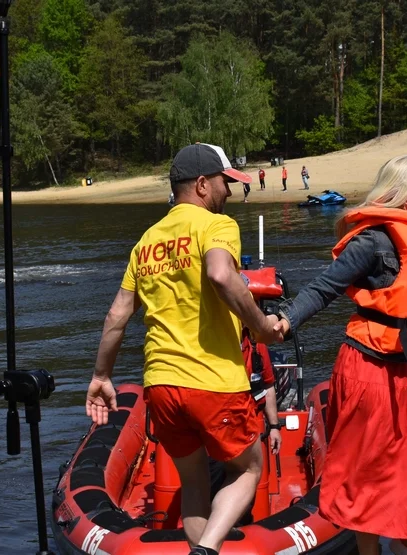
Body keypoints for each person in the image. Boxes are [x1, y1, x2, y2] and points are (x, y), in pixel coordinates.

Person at [271, 154, 407, 555]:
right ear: (401, 193)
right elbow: (324, 287)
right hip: (370, 367)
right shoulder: (374, 240)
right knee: (368, 475)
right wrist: (286, 320)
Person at [85, 142, 281, 555]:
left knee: (194, 482)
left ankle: (201, 547)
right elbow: (221, 275)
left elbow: (117, 315)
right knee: (249, 469)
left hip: (160, 385)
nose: (230, 192)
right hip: (212, 381)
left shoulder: (147, 241)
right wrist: (261, 327)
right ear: (203, 184)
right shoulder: (216, 226)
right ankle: (207, 550)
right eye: (226, 183)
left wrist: (101, 376)